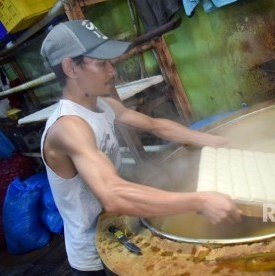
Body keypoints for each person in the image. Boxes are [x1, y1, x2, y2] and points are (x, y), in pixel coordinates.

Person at [40, 20, 241, 275]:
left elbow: (156, 126)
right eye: (101, 64)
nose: (112, 71)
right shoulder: (68, 127)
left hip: (120, 228)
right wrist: (199, 200)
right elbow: (113, 195)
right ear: (71, 67)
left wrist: (211, 141)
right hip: (95, 257)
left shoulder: (102, 105)